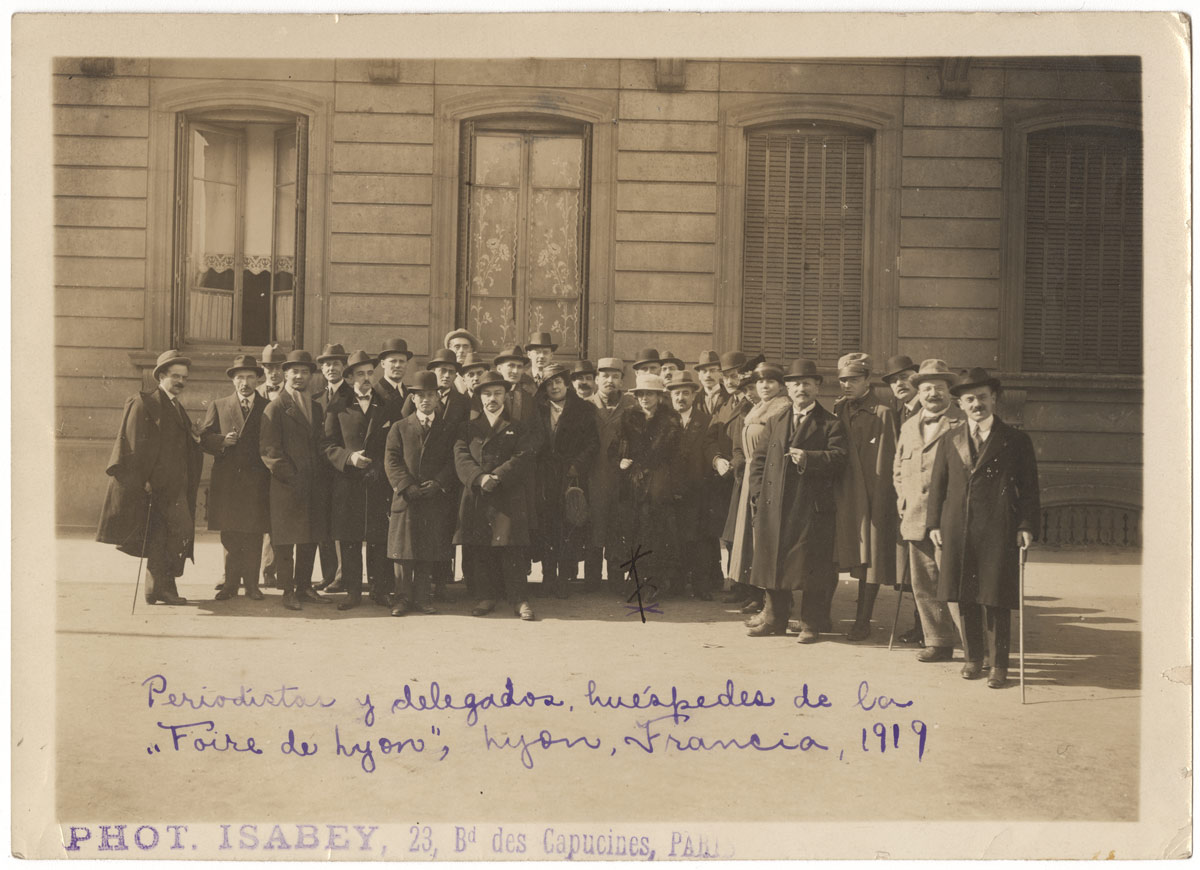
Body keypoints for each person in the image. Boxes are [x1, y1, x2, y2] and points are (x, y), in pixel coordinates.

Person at [929, 368, 1040, 689]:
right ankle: (973, 659)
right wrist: (934, 522)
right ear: (960, 405)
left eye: (982, 397)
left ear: (994, 399)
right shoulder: (950, 439)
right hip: (957, 529)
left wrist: (1026, 525)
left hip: (999, 528)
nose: (976, 404)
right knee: (964, 596)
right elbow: (938, 484)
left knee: (995, 597)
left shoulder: (1016, 440)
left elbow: (1029, 488)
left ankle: (998, 665)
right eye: (969, 399)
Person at [745, 359, 848, 642]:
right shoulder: (777, 420)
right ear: (787, 388)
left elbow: (840, 458)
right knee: (773, 562)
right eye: (795, 384)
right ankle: (775, 620)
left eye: (806, 383)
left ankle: (811, 624)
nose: (800, 389)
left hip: (810, 508)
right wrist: (758, 495)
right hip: (775, 506)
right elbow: (759, 461)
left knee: (812, 567)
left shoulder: (831, 423)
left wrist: (811, 459)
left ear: (817, 387)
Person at [97, 349, 202, 606]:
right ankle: (162, 589)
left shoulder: (177, 407)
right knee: (168, 534)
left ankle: (157, 589)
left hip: (176, 485)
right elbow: (130, 444)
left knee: (168, 535)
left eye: (184, 378)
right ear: (161, 376)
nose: (180, 382)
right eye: (175, 376)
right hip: (155, 486)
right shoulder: (145, 402)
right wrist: (141, 479)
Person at [894, 359, 966, 662]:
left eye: (939, 388)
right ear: (918, 392)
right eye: (926, 388)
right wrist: (903, 499)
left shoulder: (963, 423)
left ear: (949, 391)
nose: (932, 394)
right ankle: (937, 641)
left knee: (956, 584)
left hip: (950, 519)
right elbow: (898, 467)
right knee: (923, 583)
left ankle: (974, 646)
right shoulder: (909, 425)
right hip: (915, 516)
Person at [454, 371, 538, 621]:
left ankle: (519, 599)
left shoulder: (518, 428)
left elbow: (523, 457)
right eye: (487, 393)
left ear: (505, 396)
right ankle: (486, 596)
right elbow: (461, 457)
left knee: (511, 547)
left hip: (508, 494)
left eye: (498, 393)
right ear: (479, 397)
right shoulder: (467, 428)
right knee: (482, 547)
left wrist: (498, 476)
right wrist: (480, 478)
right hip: (479, 494)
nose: (492, 398)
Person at [833, 352, 899, 641]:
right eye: (843, 380)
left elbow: (889, 460)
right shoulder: (838, 409)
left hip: (871, 494)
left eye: (854, 380)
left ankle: (863, 620)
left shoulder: (882, 413)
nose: (847, 385)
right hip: (843, 492)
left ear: (867, 380)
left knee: (868, 559)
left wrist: (882, 501)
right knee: (838, 553)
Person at [320, 350, 393, 611]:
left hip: (377, 481)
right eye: (359, 374)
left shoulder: (386, 404)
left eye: (369, 373)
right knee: (349, 539)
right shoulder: (337, 406)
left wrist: (381, 470)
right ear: (349, 378)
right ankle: (352, 592)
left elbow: (393, 445)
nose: (365, 379)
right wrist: (348, 458)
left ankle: (379, 590)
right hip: (348, 482)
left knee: (378, 538)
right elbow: (327, 445)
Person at [259, 350, 331, 611]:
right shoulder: (276, 406)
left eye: (305, 372)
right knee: (286, 540)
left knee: (310, 537)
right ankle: (287, 590)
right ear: (285, 373)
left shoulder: (315, 406)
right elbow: (270, 451)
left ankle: (304, 586)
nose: (300, 376)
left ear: (311, 376)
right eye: (295, 371)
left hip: (313, 485)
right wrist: (293, 477)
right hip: (287, 486)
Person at [385, 369, 460, 616]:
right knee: (404, 552)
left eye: (431, 395)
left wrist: (438, 482)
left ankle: (422, 597)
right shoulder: (399, 427)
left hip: (433, 498)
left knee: (427, 549)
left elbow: (453, 461)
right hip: (406, 498)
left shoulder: (447, 428)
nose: (426, 400)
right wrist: (406, 485)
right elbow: (391, 460)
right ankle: (402, 599)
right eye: (420, 396)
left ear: (438, 398)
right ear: (413, 399)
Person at [200, 354, 270, 601]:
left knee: (253, 533)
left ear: (257, 379)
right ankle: (230, 584)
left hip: (257, 482)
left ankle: (252, 585)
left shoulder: (268, 406)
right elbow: (204, 438)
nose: (245, 383)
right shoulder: (219, 405)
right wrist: (221, 441)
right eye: (240, 377)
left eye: (250, 377)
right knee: (230, 534)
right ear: (233, 380)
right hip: (228, 482)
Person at [728, 363, 792, 610]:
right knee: (750, 539)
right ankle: (756, 594)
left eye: (771, 381)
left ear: (781, 386)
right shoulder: (757, 408)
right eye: (761, 381)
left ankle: (772, 602)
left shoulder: (782, 409)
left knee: (765, 539)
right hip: (751, 478)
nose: (765, 386)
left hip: (768, 479)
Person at [533, 363, 599, 598]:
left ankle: (563, 579)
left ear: (566, 384)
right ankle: (548, 576)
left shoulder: (583, 409)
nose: (554, 387)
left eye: (558, 382)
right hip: (544, 476)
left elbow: (593, 444)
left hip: (571, 475)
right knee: (546, 526)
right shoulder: (538, 409)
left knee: (569, 526)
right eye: (549, 384)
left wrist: (576, 466)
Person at [615, 373, 683, 598]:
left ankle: (655, 581)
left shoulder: (670, 419)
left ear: (659, 396)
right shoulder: (628, 416)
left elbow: (675, 456)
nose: (645, 398)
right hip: (634, 481)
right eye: (641, 394)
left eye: (650, 394)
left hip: (659, 481)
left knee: (657, 531)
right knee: (633, 529)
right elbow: (617, 446)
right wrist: (621, 459)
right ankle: (637, 578)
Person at [881, 353, 923, 644]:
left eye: (905, 378)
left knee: (928, 570)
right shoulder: (900, 414)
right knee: (914, 569)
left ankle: (931, 630)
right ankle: (923, 626)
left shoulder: (927, 409)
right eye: (894, 381)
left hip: (927, 501)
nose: (899, 384)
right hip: (906, 500)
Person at [587, 357, 637, 592]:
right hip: (594, 476)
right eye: (605, 376)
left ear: (622, 380)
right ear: (596, 379)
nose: (610, 381)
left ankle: (616, 579)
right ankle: (591, 579)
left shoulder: (631, 406)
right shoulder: (587, 405)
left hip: (621, 478)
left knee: (618, 527)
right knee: (594, 526)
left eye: (615, 376)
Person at [666, 370, 714, 599]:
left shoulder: (705, 421)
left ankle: (701, 586)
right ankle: (675, 584)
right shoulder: (664, 420)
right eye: (676, 393)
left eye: (686, 393)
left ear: (694, 396)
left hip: (698, 490)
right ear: (670, 396)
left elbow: (710, 448)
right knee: (674, 538)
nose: (681, 398)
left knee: (699, 540)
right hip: (670, 490)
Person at [314, 343, 352, 592]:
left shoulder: (352, 395)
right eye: (327, 364)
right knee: (323, 523)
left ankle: (343, 575)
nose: (331, 368)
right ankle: (328, 573)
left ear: (344, 367)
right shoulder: (316, 397)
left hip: (343, 469)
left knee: (341, 524)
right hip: (320, 471)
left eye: (336, 363)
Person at [256, 342, 288, 588]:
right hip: (256, 468)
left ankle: (272, 571)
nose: (273, 372)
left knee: (280, 523)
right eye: (268, 367)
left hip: (282, 467)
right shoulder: (254, 392)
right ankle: (237, 573)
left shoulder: (293, 395)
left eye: (277, 367)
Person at [374, 338, 415, 420]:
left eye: (402, 361)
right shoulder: (374, 393)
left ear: (407, 364)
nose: (397, 365)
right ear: (383, 364)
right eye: (393, 361)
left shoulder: (409, 394)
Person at [444, 328, 480, 395]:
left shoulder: (478, 374)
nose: (461, 351)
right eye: (457, 347)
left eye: (465, 347)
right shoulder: (445, 375)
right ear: (450, 350)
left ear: (471, 350)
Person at [695, 350, 729, 418]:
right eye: (704, 371)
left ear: (721, 373)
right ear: (699, 375)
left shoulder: (730, 397)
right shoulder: (694, 400)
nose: (708, 375)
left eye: (712, 370)